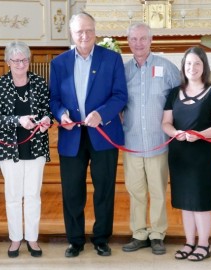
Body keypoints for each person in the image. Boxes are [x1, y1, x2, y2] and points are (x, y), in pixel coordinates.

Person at [49, 12, 128, 258]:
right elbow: (54, 99)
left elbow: (120, 96)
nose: (84, 35)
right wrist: (61, 114)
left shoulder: (112, 59)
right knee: (72, 190)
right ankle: (75, 239)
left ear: (96, 31)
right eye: (79, 31)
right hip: (71, 136)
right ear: (71, 34)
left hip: (103, 133)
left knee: (104, 188)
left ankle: (102, 238)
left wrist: (102, 114)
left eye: (89, 30)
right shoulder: (59, 63)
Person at [162, 47, 211, 262]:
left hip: (204, 155)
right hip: (180, 155)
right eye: (188, 64)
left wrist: (199, 134)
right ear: (183, 66)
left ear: (204, 67)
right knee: (185, 202)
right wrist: (176, 133)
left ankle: (204, 244)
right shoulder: (174, 93)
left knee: (200, 202)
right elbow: (166, 123)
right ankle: (189, 242)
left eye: (197, 64)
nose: (192, 68)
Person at [121, 22, 180, 255]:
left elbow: (180, 100)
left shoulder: (167, 68)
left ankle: (157, 233)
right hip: (132, 142)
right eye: (134, 39)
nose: (138, 43)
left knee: (157, 190)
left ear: (151, 40)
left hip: (158, 142)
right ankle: (139, 233)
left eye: (143, 38)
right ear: (128, 42)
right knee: (135, 191)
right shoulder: (123, 71)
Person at [0, 41, 52, 258]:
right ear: (8, 62)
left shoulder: (39, 83)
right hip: (10, 149)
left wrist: (45, 120)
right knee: (14, 195)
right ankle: (15, 238)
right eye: (15, 60)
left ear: (29, 61)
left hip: (36, 147)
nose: (20, 63)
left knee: (33, 195)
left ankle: (32, 238)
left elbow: (48, 111)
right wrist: (19, 120)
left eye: (24, 59)